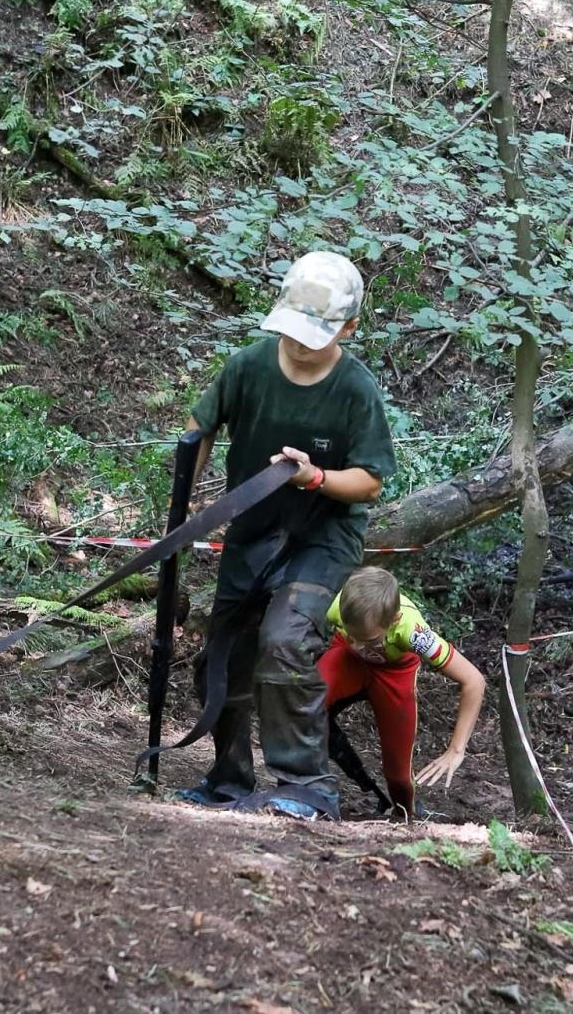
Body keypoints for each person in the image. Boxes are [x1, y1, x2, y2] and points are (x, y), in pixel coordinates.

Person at [176, 251, 396, 820]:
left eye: (316, 335)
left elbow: (370, 481)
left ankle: (306, 786)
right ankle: (228, 778)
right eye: (293, 331)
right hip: (252, 531)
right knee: (222, 652)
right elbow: (198, 431)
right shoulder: (248, 367)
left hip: (322, 542)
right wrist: (182, 507)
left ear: (348, 328)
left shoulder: (355, 390)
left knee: (284, 641)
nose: (300, 345)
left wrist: (314, 477)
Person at [319, 567, 485, 819]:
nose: (359, 644)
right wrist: (352, 642)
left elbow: (474, 680)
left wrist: (456, 749)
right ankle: (308, 788)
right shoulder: (336, 608)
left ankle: (405, 816)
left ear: (393, 620)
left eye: (369, 638)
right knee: (305, 701)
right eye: (352, 634)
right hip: (349, 661)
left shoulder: (412, 630)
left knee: (398, 775)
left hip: (394, 673)